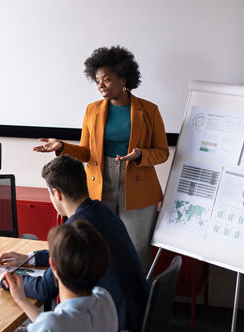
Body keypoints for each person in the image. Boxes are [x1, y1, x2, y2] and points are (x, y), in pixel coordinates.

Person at [0, 155, 148, 332]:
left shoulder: (77, 225)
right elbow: (74, 249)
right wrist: (29, 258)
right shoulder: (101, 211)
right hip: (137, 325)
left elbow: (43, 289)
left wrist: (0, 278)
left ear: (56, 193)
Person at [33, 46, 169, 269]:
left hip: (138, 188)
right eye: (97, 81)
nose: (100, 86)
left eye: (106, 79)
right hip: (100, 184)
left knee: (137, 249)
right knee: (99, 246)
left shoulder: (149, 110)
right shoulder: (92, 110)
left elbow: (163, 152)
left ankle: (139, 301)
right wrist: (62, 146)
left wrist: (140, 155)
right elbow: (87, 153)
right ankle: (102, 299)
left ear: (123, 79)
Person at [0, 220, 118, 332]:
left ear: (52, 266)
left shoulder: (51, 329)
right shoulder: (105, 300)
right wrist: (22, 300)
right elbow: (57, 327)